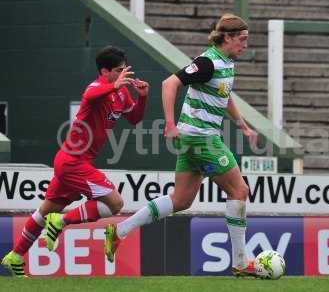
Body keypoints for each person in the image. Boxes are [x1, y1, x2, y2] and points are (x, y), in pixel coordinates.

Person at [104, 14, 259, 277]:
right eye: (242, 40)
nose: (245, 45)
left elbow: (224, 94)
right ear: (228, 37)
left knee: (181, 199)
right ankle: (242, 263)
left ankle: (119, 231)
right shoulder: (207, 62)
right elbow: (169, 83)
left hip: (195, 138)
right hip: (201, 138)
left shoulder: (226, 63)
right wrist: (169, 123)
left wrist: (242, 124)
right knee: (239, 190)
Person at [1, 46, 149, 277]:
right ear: (105, 71)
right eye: (119, 70)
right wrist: (114, 85)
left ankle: (15, 256)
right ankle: (60, 222)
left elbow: (134, 119)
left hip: (74, 162)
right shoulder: (97, 87)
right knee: (115, 203)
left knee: (43, 213)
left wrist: (143, 98)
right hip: (73, 162)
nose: (124, 74)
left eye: (124, 70)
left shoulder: (121, 92)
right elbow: (91, 95)